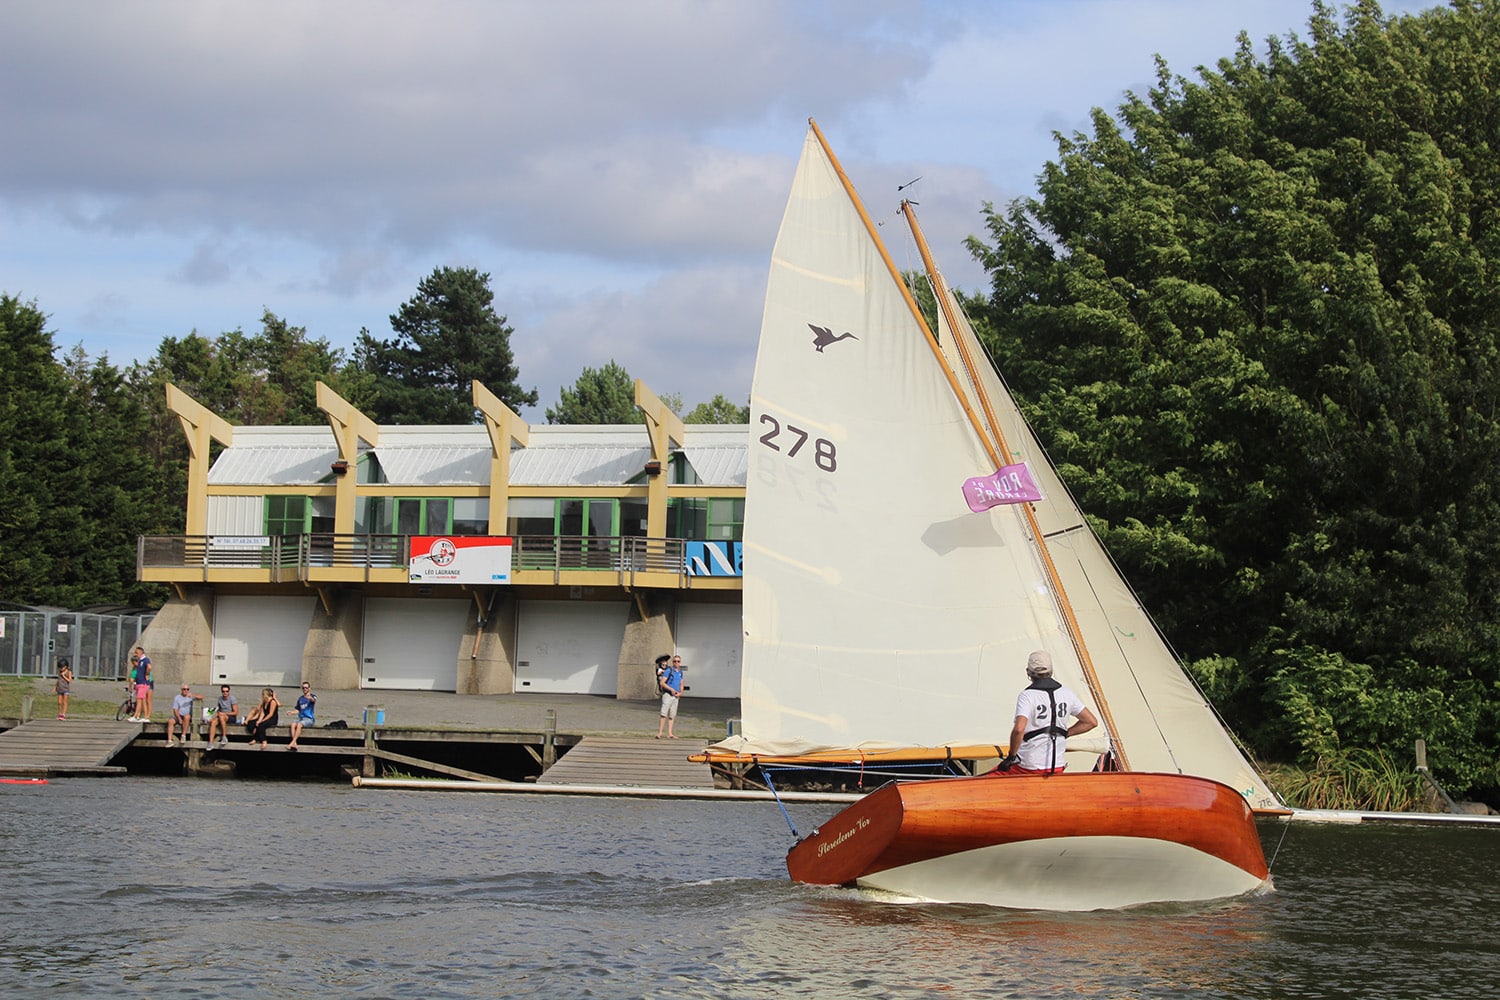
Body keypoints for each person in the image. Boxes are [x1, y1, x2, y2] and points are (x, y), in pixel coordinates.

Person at [991, 650, 1099, 776]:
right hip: (1057, 766)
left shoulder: (1027, 696)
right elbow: (1091, 722)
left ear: (1028, 672)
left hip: (1028, 766)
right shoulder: (1067, 694)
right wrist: (1064, 733)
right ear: (1051, 671)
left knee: (988, 779)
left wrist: (1011, 757)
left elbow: (1019, 729)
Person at [656, 654, 684, 739]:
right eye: (675, 661)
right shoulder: (669, 670)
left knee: (672, 715)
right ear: (672, 662)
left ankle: (670, 733)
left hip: (676, 696)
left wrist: (681, 692)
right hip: (668, 694)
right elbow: (662, 683)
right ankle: (660, 733)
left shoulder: (680, 672)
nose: (676, 663)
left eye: (678, 661)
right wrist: (671, 689)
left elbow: (681, 683)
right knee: (663, 713)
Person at [288, 682, 316, 751]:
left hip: (309, 719)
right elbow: (298, 710)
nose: (305, 689)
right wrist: (291, 712)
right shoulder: (300, 699)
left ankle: (292, 742)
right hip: (301, 718)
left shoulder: (313, 696)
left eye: (306, 688)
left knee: (299, 725)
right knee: (293, 724)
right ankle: (295, 744)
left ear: (309, 688)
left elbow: (314, 700)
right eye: (303, 688)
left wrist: (310, 698)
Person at [131, 646, 153, 721]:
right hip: (139, 683)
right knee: (142, 699)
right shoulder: (139, 660)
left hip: (143, 683)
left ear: (141, 652)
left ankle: (139, 716)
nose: (135, 654)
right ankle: (140, 715)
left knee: (140, 699)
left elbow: (149, 667)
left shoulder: (145, 660)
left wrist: (147, 674)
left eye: (136, 652)